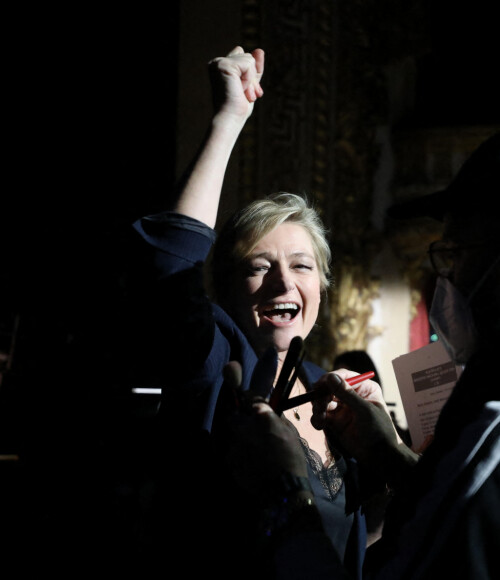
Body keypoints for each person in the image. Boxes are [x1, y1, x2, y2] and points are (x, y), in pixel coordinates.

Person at [131, 46, 384, 579]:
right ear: (224, 288)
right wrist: (227, 121)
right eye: (259, 266)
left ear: (323, 285)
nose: (284, 282)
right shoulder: (214, 368)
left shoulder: (332, 393)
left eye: (302, 265)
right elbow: (168, 266)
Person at [220, 131, 500, 579]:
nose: (447, 279)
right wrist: (389, 459)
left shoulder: (491, 429)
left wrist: (287, 497)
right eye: (258, 266)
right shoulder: (222, 376)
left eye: (457, 255)